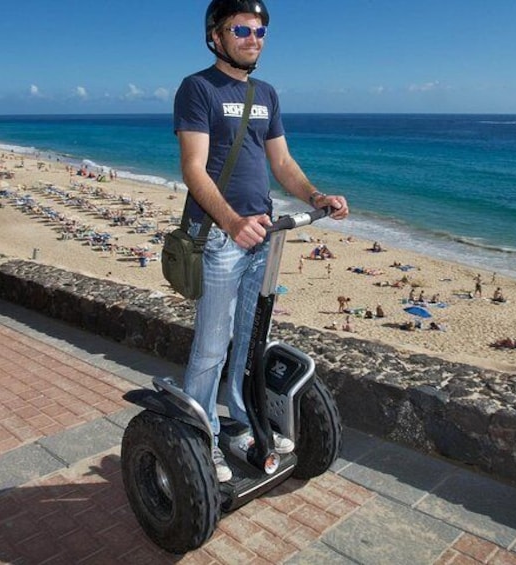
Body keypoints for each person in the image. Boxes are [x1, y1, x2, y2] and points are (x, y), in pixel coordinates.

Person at [174, 0, 349, 482]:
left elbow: (282, 164)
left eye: (262, 30)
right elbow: (193, 169)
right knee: (211, 345)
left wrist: (316, 195)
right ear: (216, 35)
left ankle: (241, 418)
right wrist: (232, 222)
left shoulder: (266, 94)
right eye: (243, 29)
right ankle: (202, 434)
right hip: (220, 238)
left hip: (264, 235)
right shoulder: (197, 89)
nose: (254, 38)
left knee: (252, 339)